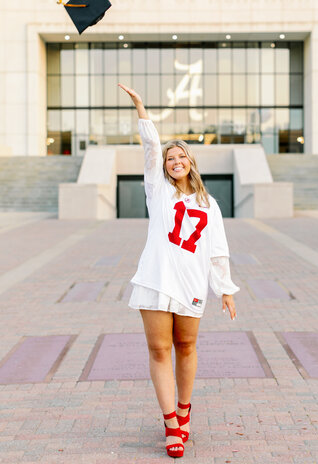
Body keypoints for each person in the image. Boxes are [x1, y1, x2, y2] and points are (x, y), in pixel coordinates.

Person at [118, 83, 240, 458]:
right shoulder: (157, 190)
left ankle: (185, 411)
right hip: (155, 281)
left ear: (190, 162)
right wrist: (141, 107)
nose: (174, 161)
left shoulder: (209, 203)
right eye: (170, 158)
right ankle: (171, 423)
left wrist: (226, 288)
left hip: (190, 283)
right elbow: (151, 149)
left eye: (180, 157)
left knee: (186, 346)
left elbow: (217, 249)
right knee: (159, 349)